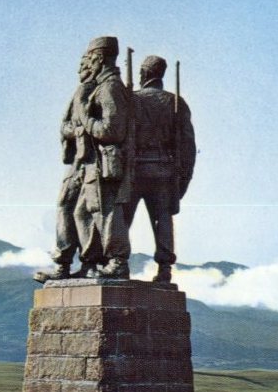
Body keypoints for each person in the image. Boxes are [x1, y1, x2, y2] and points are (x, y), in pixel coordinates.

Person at [126, 55, 196, 283]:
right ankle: (165, 268)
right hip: (164, 171)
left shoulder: (132, 100)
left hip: (135, 169)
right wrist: (183, 179)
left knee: (123, 218)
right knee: (163, 220)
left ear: (144, 74)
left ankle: (117, 263)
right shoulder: (176, 103)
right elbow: (188, 147)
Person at [34, 53, 100, 283]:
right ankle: (63, 263)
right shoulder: (80, 91)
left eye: (84, 65)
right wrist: (76, 131)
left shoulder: (101, 90)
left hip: (95, 160)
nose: (80, 70)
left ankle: (89, 263)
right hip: (77, 159)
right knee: (65, 206)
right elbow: (65, 126)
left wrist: (82, 130)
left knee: (85, 212)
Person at [71, 36, 132, 279]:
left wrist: (85, 119)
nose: (89, 64)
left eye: (91, 59)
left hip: (104, 163)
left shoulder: (110, 87)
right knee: (83, 213)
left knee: (106, 212)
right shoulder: (101, 86)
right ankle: (91, 263)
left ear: (99, 58)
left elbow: (111, 130)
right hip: (94, 163)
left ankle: (117, 260)